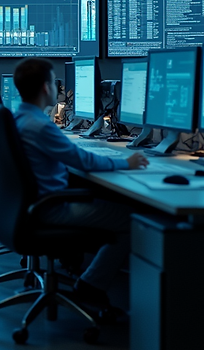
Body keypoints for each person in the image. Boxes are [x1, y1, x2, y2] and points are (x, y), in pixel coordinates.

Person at [11, 58, 148, 312]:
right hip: (50, 209)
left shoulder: (19, 120)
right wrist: (126, 163)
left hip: (27, 207)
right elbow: (82, 161)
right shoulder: (40, 126)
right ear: (45, 88)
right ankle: (92, 285)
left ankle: (82, 268)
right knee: (134, 219)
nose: (58, 89)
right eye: (54, 83)